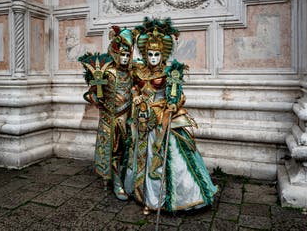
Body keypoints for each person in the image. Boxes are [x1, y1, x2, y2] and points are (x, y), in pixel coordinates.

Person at [124, 17, 217, 214]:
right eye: (149, 54)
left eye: (157, 54)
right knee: (141, 155)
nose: (153, 58)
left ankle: (162, 199)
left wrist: (173, 104)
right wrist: (135, 96)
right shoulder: (139, 70)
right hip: (142, 120)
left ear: (163, 53)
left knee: (161, 156)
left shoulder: (170, 72)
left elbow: (178, 94)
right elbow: (135, 88)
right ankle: (144, 196)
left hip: (161, 120)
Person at [79, 26, 133, 201]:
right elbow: (90, 94)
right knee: (114, 151)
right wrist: (97, 99)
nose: (124, 58)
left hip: (128, 120)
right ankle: (117, 183)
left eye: (127, 55)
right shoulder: (108, 72)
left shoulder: (131, 73)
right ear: (116, 53)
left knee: (127, 151)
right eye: (122, 54)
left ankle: (126, 179)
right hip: (111, 120)